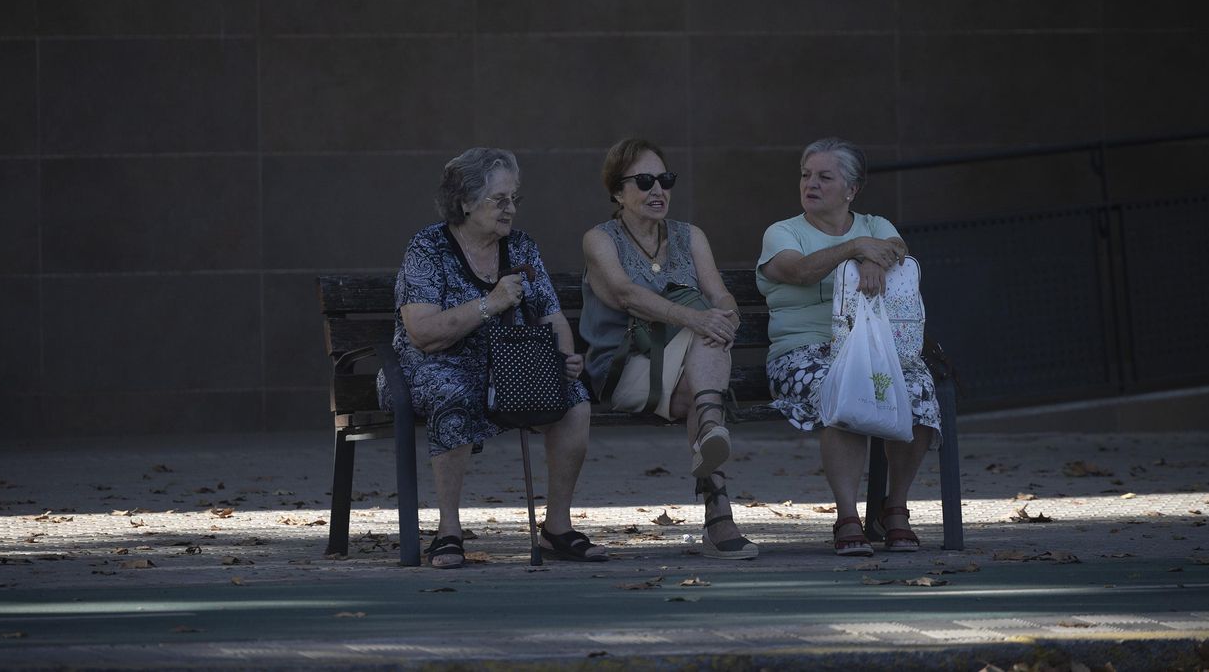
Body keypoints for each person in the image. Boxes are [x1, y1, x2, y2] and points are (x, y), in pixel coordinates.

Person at [383, 147, 606, 568]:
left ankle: (557, 526)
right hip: (433, 366)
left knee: (575, 396)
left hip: (512, 367)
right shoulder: (428, 248)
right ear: (465, 202)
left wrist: (564, 356)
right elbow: (423, 333)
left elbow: (551, 313)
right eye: (499, 199)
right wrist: (491, 303)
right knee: (452, 391)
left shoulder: (520, 247)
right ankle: (448, 530)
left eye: (514, 199)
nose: (510, 210)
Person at [755, 137, 941, 556]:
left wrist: (874, 258)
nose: (811, 184)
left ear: (852, 189)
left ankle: (894, 509)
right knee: (843, 388)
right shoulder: (783, 232)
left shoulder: (875, 225)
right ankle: (847, 516)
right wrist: (855, 250)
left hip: (877, 349)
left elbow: (898, 250)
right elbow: (799, 271)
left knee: (918, 388)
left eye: (824, 176)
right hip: (803, 352)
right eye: (806, 175)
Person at [580, 138, 758, 560]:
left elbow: (720, 295)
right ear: (616, 192)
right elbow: (626, 295)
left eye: (665, 179)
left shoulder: (689, 236)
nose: (657, 190)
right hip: (625, 370)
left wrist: (728, 317)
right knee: (705, 355)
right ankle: (718, 520)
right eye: (644, 181)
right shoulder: (599, 240)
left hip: (689, 374)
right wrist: (699, 320)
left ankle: (719, 505)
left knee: (704, 381)